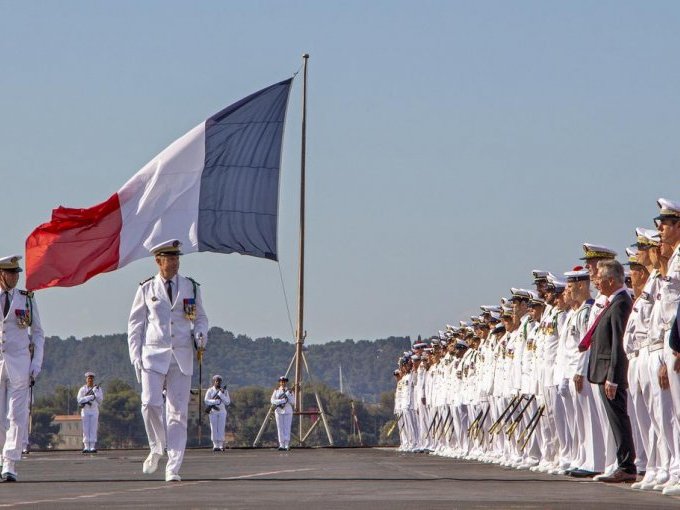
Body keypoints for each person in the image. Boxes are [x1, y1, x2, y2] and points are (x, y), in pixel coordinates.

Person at [128, 239, 209, 482]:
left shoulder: (190, 287)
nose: (175, 263)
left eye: (177, 258)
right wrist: (135, 357)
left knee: (177, 413)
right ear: (158, 260)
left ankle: (173, 466)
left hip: (182, 355)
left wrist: (201, 334)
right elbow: (135, 325)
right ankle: (156, 447)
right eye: (170, 258)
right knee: (150, 403)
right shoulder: (146, 288)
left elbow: (201, 318)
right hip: (152, 354)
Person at [585, 259, 636, 483]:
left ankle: (627, 465)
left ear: (613, 280)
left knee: (619, 419)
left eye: (602, 280)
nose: (598, 284)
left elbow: (618, 344)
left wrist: (613, 378)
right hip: (604, 371)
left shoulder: (621, 303)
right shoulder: (612, 302)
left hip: (610, 373)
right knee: (614, 420)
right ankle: (621, 462)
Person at [0, 255, 44, 482]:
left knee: (16, 415)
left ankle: (10, 463)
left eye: (17, 273)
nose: (15, 277)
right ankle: (1, 457)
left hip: (19, 363)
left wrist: (36, 363)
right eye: (10, 273)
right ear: (1, 275)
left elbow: (38, 332)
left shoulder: (26, 299)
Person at [76, 372, 103, 453]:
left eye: (91, 378)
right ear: (86, 379)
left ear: (93, 380)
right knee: (85, 428)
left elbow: (100, 400)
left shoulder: (98, 389)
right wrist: (89, 397)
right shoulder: (82, 389)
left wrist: (95, 393)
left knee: (93, 428)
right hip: (85, 410)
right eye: (89, 378)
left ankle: (92, 446)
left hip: (94, 410)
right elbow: (79, 400)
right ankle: (86, 446)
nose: (90, 380)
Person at [204, 375, 230, 451]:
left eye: (219, 381)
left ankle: (221, 445)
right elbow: (206, 400)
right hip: (213, 411)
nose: (218, 382)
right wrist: (215, 402)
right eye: (216, 381)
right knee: (214, 428)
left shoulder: (224, 391)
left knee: (221, 427)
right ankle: (215, 445)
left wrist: (221, 395)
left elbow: (228, 402)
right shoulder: (210, 390)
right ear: (214, 382)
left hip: (222, 411)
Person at [271, 376, 295, 451]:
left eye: (284, 381)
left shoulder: (289, 391)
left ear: (286, 382)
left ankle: (287, 445)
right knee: (280, 428)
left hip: (287, 410)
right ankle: (281, 444)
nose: (283, 383)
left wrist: (289, 394)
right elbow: (272, 400)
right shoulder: (277, 390)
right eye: (281, 381)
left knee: (287, 427)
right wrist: (281, 401)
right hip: (278, 410)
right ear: (280, 382)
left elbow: (293, 401)